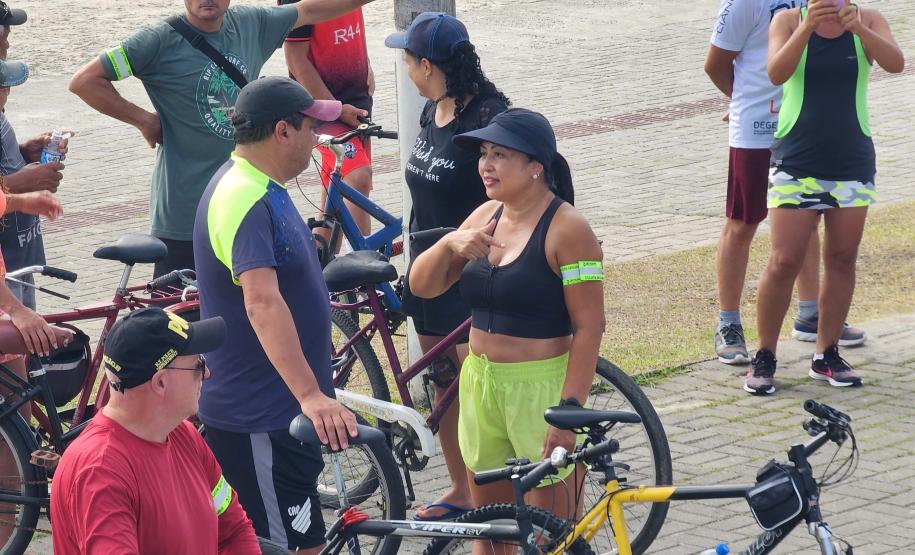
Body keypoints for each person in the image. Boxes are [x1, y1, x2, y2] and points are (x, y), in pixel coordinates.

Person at [69, 0, 374, 278]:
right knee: (183, 324)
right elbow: (85, 81)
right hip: (185, 217)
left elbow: (308, 11)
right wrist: (143, 120)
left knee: (254, 313)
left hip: (246, 207)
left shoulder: (251, 24)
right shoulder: (158, 40)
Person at [408, 108, 605, 521]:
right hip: (480, 384)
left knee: (553, 534)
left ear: (536, 166)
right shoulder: (486, 216)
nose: (485, 165)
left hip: (540, 391)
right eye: (483, 153)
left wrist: (568, 412)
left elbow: (590, 326)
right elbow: (421, 287)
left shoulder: (569, 229)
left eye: (499, 154)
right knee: (490, 531)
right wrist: (449, 245)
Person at [193, 76, 357, 553]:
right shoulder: (244, 197)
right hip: (261, 417)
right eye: (311, 128)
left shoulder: (261, 185)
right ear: (282, 131)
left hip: (279, 412)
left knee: (301, 541)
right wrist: (310, 394)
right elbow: (261, 303)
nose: (317, 138)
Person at [384, 11, 509, 521]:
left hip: (470, 274)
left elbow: (511, 192)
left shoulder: (487, 118)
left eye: (409, 60)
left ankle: (492, 494)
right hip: (429, 267)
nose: (407, 69)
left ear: (428, 65)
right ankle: (460, 488)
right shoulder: (430, 110)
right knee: (443, 384)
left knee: (474, 390)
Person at [747, 0, 903, 394]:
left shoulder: (868, 19)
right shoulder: (786, 20)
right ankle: (764, 355)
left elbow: (896, 63)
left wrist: (860, 31)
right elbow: (776, 72)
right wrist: (805, 29)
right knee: (784, 260)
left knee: (842, 258)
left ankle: (826, 354)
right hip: (796, 160)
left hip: (851, 160)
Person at [704, 0, 866, 367]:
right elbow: (715, 64)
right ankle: (729, 323)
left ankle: (810, 314)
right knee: (743, 222)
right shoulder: (746, 4)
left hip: (804, 128)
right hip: (756, 130)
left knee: (804, 215)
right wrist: (743, 99)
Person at [49, 307, 263, 554]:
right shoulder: (100, 472)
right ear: (160, 382)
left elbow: (234, 530)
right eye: (198, 364)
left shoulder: (184, 434)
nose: (207, 373)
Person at [280, 0, 375, 241]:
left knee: (334, 192)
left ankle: (320, 262)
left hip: (358, 99)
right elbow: (295, 59)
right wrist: (336, 109)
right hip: (323, 105)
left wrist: (368, 65)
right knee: (358, 178)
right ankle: (369, 272)